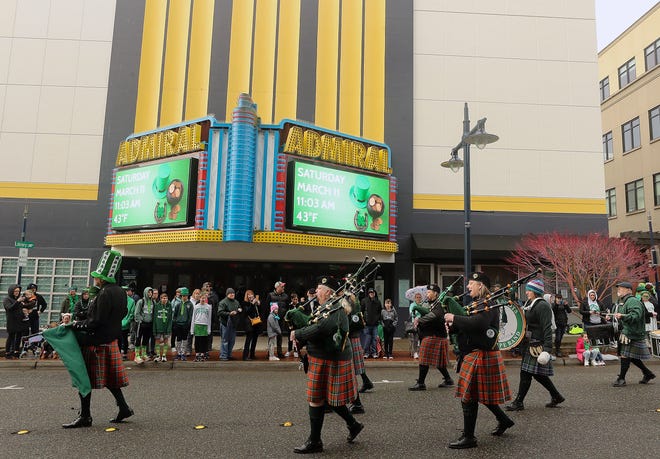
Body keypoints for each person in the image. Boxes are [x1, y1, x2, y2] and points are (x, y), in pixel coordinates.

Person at [290, 276, 363, 454]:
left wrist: (298, 334)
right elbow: (313, 323)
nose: (316, 291)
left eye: (319, 288)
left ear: (329, 292)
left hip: (331, 359)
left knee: (318, 399)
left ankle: (315, 441)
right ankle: (353, 425)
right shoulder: (326, 306)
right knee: (328, 400)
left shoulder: (337, 307)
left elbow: (323, 328)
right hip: (322, 357)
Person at [443, 272, 513, 449]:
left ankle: (469, 438)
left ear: (481, 285)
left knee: (468, 397)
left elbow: (479, 324)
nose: (468, 287)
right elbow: (471, 325)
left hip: (481, 354)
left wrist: (454, 318)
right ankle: (504, 420)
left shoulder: (487, 302)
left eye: (471, 283)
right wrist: (454, 327)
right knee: (479, 395)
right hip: (476, 353)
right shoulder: (478, 303)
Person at [65, 250, 133, 428]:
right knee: (111, 379)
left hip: (95, 341)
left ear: (101, 278)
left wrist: (75, 325)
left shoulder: (104, 294)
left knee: (83, 379)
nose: (94, 279)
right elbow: (121, 314)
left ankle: (85, 416)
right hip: (111, 340)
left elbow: (95, 321)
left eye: (96, 277)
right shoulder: (120, 292)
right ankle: (124, 407)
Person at [506, 278, 564, 411]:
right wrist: (512, 291)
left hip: (537, 345)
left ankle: (519, 402)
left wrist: (547, 349)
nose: (526, 292)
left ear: (535, 291)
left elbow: (547, 328)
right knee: (537, 374)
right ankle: (556, 396)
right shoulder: (530, 303)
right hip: (529, 344)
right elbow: (515, 307)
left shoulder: (542, 305)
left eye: (529, 290)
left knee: (525, 373)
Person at [409, 284, 453, 391]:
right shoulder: (429, 304)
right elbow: (426, 312)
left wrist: (419, 320)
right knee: (438, 361)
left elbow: (434, 316)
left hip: (434, 335)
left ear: (436, 294)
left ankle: (421, 383)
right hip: (431, 335)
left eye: (429, 292)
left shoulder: (439, 305)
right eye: (427, 292)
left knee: (423, 358)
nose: (427, 294)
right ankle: (448, 379)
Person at [612, 281, 656, 386]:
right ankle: (648, 373)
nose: (619, 290)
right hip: (629, 331)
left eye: (621, 289)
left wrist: (622, 316)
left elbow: (636, 316)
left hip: (631, 333)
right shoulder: (624, 301)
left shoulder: (632, 301)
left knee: (625, 355)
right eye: (618, 289)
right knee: (631, 356)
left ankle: (621, 379)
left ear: (629, 290)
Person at [346, 293, 374, 414]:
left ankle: (357, 403)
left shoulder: (347, 301)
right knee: (356, 364)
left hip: (350, 336)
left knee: (351, 368)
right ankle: (367, 382)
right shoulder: (354, 300)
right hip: (354, 335)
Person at [265, 281, 289, 358]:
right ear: (277, 287)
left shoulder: (285, 296)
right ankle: (270, 352)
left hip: (281, 318)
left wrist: (286, 316)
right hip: (272, 319)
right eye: (282, 286)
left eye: (283, 287)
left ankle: (279, 352)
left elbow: (287, 307)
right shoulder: (270, 295)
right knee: (271, 336)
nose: (283, 288)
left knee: (280, 335)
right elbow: (266, 307)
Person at [4, 285, 29, 359]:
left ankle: (16, 352)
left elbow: (21, 307)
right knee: (11, 336)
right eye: (15, 291)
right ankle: (7, 352)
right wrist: (18, 302)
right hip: (11, 321)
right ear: (11, 291)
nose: (17, 293)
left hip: (19, 320)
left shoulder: (18, 298)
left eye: (18, 291)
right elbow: (10, 308)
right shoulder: (7, 299)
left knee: (18, 336)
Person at [218, 287, 242, 360]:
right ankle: (223, 355)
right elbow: (220, 312)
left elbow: (239, 307)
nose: (232, 294)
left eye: (233, 293)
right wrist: (229, 313)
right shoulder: (223, 302)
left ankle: (229, 354)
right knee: (225, 340)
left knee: (232, 340)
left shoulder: (236, 302)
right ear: (227, 294)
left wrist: (239, 310)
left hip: (233, 323)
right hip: (225, 323)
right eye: (230, 293)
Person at [134, 287, 155, 364]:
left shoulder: (153, 302)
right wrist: (140, 320)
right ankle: (136, 356)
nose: (150, 294)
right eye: (148, 292)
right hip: (141, 324)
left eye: (151, 292)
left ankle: (143, 354)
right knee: (138, 338)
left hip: (149, 324)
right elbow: (137, 313)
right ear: (145, 292)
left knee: (146, 339)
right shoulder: (141, 301)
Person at [361, 288, 382, 358]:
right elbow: (361, 311)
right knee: (367, 339)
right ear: (368, 293)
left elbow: (380, 312)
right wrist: (363, 320)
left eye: (372, 292)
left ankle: (374, 353)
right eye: (370, 293)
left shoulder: (378, 301)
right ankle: (366, 353)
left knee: (374, 339)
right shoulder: (364, 301)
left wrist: (378, 320)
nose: (371, 294)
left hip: (375, 324)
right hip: (366, 324)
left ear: (374, 293)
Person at [173, 287, 193, 361]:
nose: (184, 297)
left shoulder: (190, 305)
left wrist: (188, 324)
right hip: (178, 324)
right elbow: (175, 315)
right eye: (183, 296)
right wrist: (175, 322)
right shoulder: (178, 304)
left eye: (186, 296)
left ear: (187, 296)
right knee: (178, 339)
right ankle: (178, 353)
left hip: (185, 324)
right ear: (181, 296)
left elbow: (190, 316)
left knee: (185, 339)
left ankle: (183, 353)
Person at [191, 292, 212, 362]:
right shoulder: (196, 307)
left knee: (204, 341)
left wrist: (209, 329)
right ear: (199, 298)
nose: (203, 299)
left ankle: (202, 354)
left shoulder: (208, 307)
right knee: (197, 340)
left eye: (204, 298)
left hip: (204, 325)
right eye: (202, 298)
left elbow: (209, 319)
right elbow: (193, 318)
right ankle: (197, 354)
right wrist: (192, 329)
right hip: (197, 324)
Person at [153, 292, 173, 362]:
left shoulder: (169, 306)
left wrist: (169, 328)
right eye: (163, 298)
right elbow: (155, 317)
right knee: (157, 340)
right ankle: (158, 355)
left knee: (166, 340)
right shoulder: (157, 306)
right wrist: (154, 328)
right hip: (158, 326)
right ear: (160, 299)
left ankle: (164, 355)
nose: (165, 299)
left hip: (166, 327)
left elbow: (170, 318)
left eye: (166, 298)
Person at [242, 289, 261, 361]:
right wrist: (252, 304)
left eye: (251, 294)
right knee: (248, 339)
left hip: (256, 323)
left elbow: (258, 312)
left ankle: (252, 354)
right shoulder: (245, 303)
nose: (250, 296)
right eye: (248, 294)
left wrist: (258, 304)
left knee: (255, 339)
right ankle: (245, 356)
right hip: (249, 323)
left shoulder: (255, 303)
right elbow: (247, 312)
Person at [120, 286, 135, 360]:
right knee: (118, 339)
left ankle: (125, 354)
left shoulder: (131, 301)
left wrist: (127, 321)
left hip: (125, 323)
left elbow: (132, 313)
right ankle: (119, 353)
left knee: (125, 338)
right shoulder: (118, 299)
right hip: (117, 323)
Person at [408, 292, 423, 359]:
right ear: (414, 298)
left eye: (419, 297)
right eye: (417, 297)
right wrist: (416, 315)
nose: (418, 298)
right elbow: (411, 313)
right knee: (415, 339)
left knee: (422, 339)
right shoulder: (412, 305)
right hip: (414, 324)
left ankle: (421, 352)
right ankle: (415, 352)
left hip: (422, 323)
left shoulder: (422, 304)